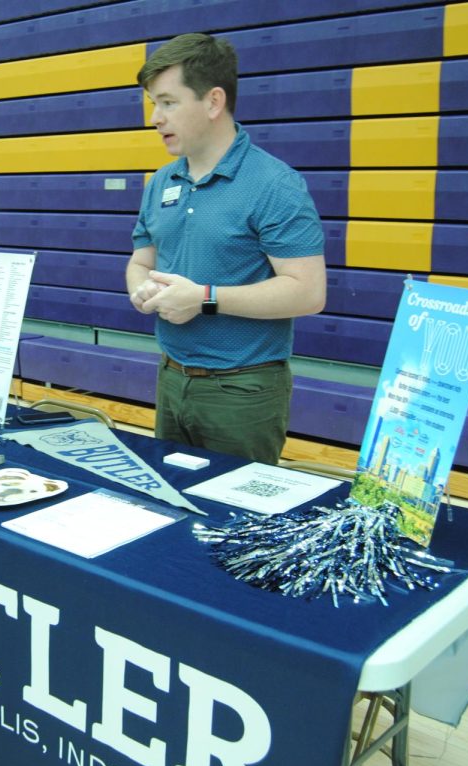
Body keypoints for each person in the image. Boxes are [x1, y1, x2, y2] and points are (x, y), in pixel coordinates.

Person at [127, 33, 326, 465]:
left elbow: (307, 292)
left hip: (243, 392)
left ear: (214, 102)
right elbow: (142, 260)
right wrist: (141, 288)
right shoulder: (162, 182)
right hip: (170, 377)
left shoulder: (274, 185)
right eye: (152, 104)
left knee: (237, 523)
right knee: (173, 510)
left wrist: (203, 299)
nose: (155, 118)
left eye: (167, 102)